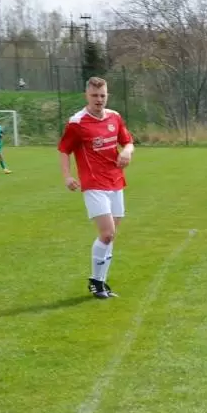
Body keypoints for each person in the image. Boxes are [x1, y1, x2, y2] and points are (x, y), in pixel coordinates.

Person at [58, 76, 135, 299]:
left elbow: (128, 142)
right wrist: (67, 176)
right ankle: (95, 281)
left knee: (111, 236)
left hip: (116, 181)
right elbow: (64, 150)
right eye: (94, 95)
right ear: (87, 95)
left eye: (102, 95)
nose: (99, 99)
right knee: (107, 233)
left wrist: (127, 152)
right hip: (94, 184)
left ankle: (101, 282)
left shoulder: (114, 117)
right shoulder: (77, 122)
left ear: (107, 95)